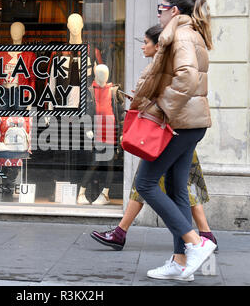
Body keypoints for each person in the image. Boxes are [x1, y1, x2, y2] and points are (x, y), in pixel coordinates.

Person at [91, 25, 217, 252]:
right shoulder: (175, 58)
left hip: (167, 132)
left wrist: (152, 106)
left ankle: (198, 240)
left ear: (158, 45)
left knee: (154, 183)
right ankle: (194, 245)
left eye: (146, 42)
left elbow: (166, 94)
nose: (142, 46)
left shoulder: (167, 63)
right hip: (176, 130)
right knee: (175, 184)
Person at [122, 0, 216, 282]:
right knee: (176, 190)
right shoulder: (186, 33)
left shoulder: (182, 36)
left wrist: (163, 108)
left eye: (161, 7)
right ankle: (179, 261)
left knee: (146, 183)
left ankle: (195, 242)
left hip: (178, 123)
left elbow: (187, 77)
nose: (158, 13)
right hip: (188, 124)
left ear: (174, 10)